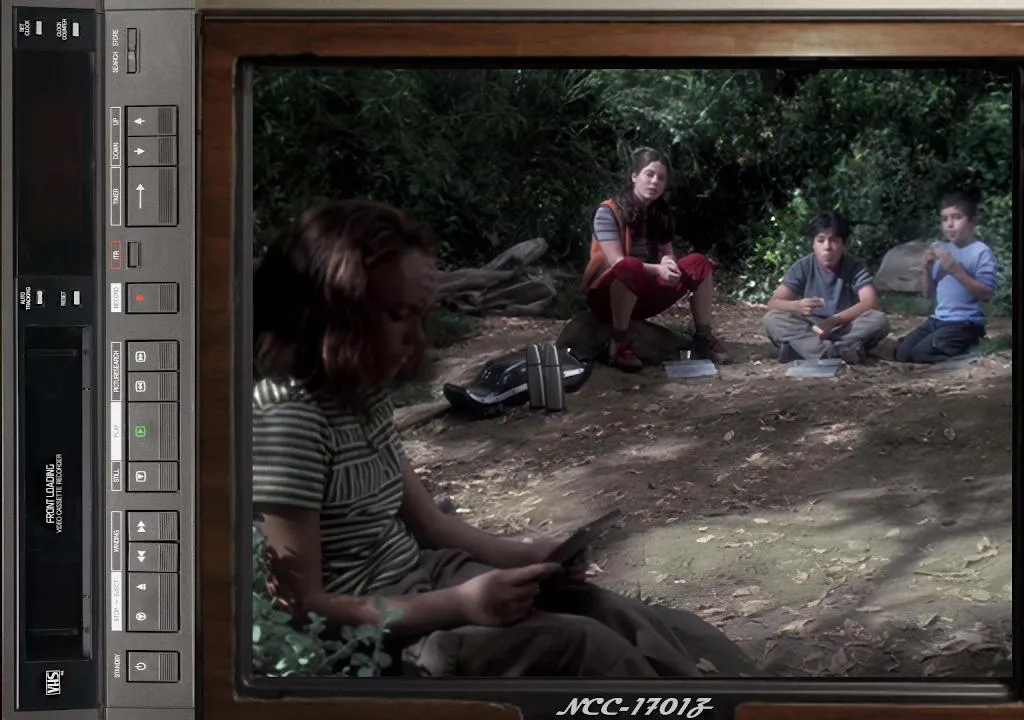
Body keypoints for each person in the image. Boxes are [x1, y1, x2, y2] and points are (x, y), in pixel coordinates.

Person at [252, 198, 758, 679]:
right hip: (386, 635)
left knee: (611, 612)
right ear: (331, 311)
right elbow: (301, 605)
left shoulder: (363, 394)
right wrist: (460, 604)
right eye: (396, 315)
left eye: (419, 317)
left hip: (429, 576)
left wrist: (534, 553)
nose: (415, 339)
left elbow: (431, 525)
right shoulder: (289, 416)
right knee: (584, 645)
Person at [581, 148, 731, 372]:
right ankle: (619, 342)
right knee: (629, 266)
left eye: (661, 178)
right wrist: (657, 270)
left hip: (643, 292)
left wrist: (669, 264)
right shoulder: (608, 211)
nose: (654, 182)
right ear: (634, 176)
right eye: (649, 174)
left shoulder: (659, 213)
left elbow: (666, 251)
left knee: (699, 263)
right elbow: (617, 263)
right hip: (608, 295)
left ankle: (703, 336)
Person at [762, 211, 890, 364]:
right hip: (810, 330)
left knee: (878, 320)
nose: (827, 247)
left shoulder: (855, 266)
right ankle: (838, 352)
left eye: (833, 240)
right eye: (821, 240)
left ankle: (805, 351)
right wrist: (797, 305)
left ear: (844, 244)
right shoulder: (803, 266)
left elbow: (870, 302)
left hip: (843, 328)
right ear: (813, 244)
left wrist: (832, 322)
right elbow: (774, 303)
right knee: (772, 320)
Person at [894, 190, 999, 364]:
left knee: (922, 354)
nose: (950, 224)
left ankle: (972, 351)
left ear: (972, 221)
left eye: (957, 217)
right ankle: (949, 346)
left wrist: (956, 270)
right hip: (938, 319)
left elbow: (986, 293)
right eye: (944, 219)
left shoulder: (981, 252)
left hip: (965, 322)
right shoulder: (943, 249)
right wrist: (926, 269)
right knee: (902, 354)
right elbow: (928, 294)